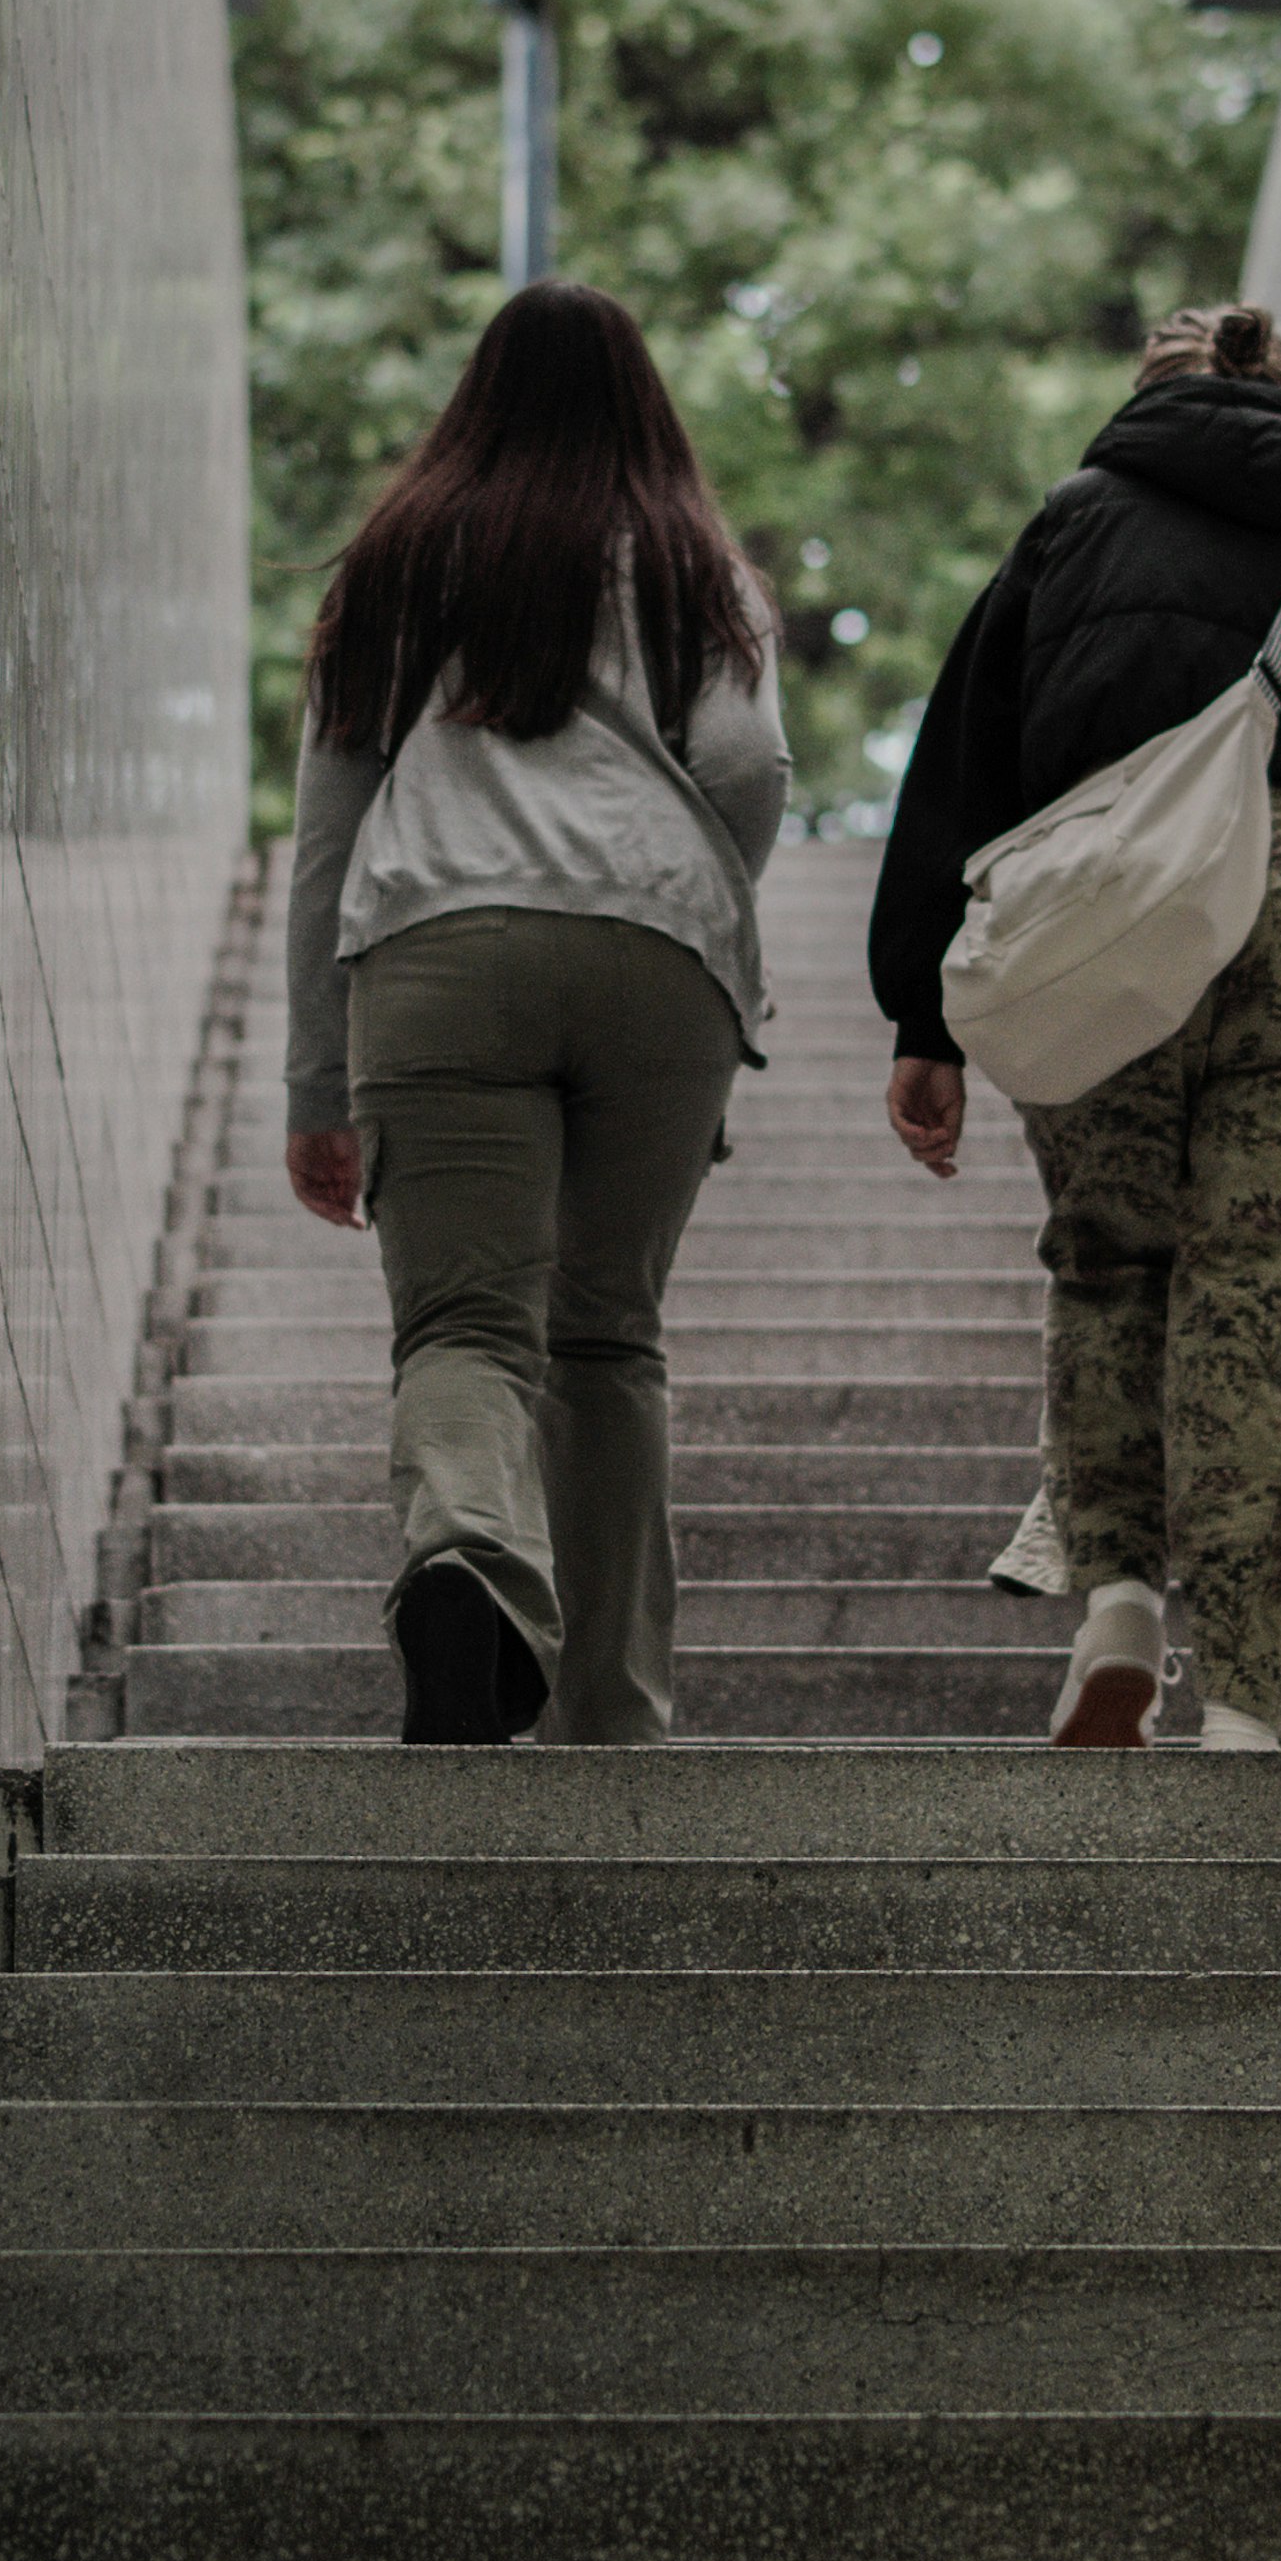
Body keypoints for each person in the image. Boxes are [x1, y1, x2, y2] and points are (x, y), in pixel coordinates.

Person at [869, 301, 1281, 1749]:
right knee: (1277, 1315)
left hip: (1118, 912)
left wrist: (926, 1008)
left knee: (1111, 1268)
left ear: (1147, 399)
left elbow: (960, 756)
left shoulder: (1075, 522)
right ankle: (1243, 1705)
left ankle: (1114, 1608)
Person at [285, 281, 790, 1744]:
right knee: (610, 1339)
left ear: (477, 397)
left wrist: (316, 1081)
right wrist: (690, 887)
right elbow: (747, 773)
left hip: (441, 944)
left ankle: (468, 1558)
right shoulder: (703, 567)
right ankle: (614, 1711)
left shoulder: (399, 557)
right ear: (648, 407)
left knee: (464, 1322)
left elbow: (331, 827)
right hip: (658, 956)